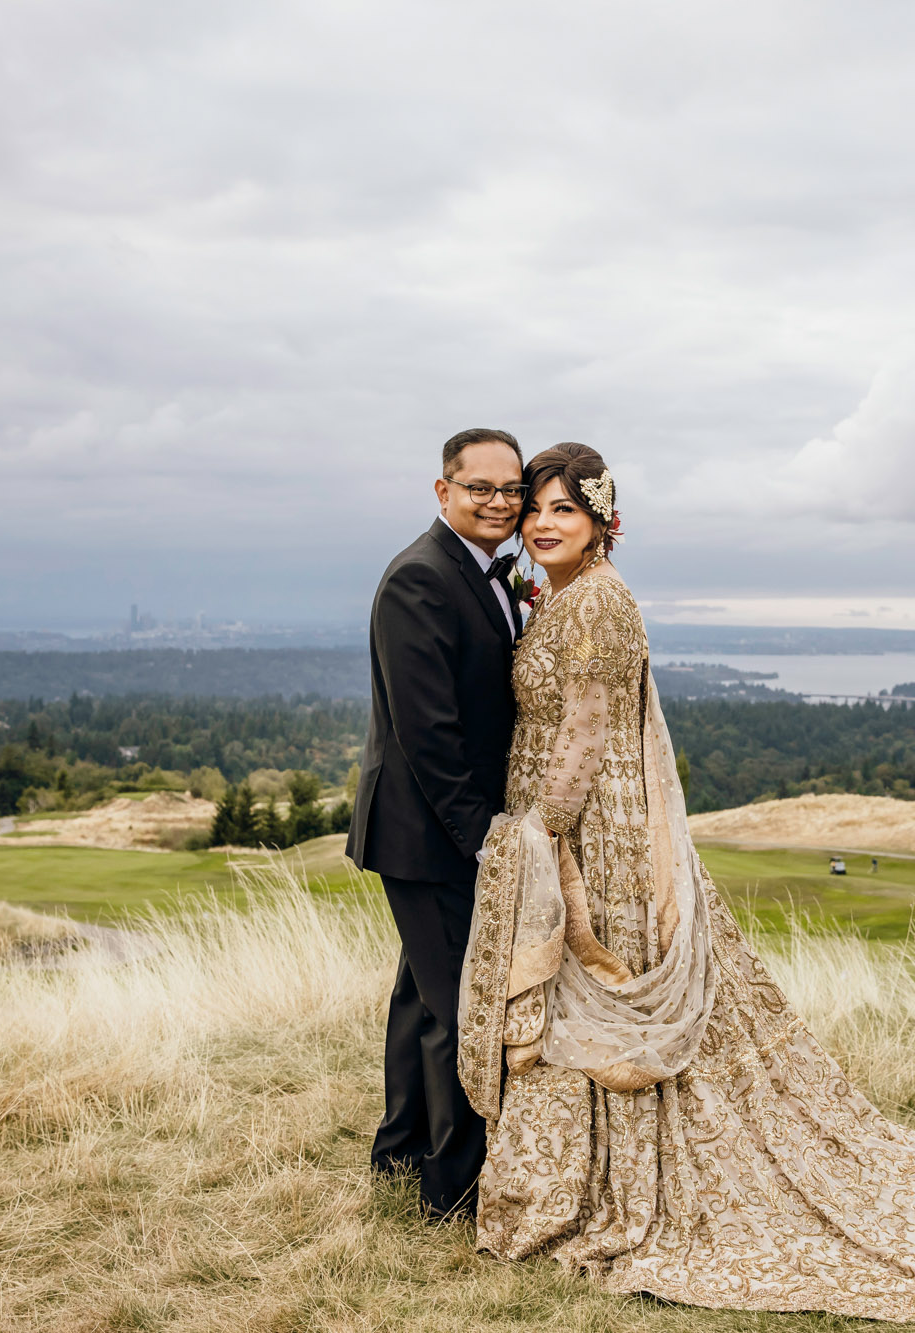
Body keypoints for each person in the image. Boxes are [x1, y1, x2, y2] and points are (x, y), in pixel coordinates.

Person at [458, 442, 915, 1320]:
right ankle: (577, 1187)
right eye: (538, 508)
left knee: (598, 998)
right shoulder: (564, 594)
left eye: (566, 510)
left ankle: (605, 1197)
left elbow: (585, 737)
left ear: (601, 524)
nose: (544, 523)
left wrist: (538, 838)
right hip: (572, 825)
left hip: (593, 835)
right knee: (579, 1004)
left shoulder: (597, 604)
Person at [347, 427, 527, 1219]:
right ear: (442, 491)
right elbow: (429, 735)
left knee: (421, 998)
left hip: (442, 830)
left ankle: (401, 1154)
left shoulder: (490, 574)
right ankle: (453, 1192)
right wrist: (485, 840)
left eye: (510, 490)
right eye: (479, 488)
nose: (498, 502)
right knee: (458, 1009)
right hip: (431, 834)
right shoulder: (420, 578)